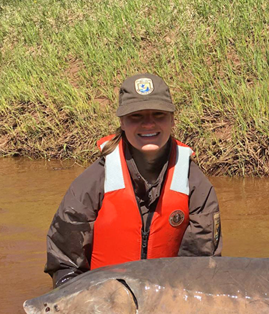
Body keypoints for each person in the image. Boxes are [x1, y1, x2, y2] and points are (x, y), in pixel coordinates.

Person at [45, 73, 222, 287]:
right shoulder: (92, 182)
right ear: (122, 121)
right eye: (136, 116)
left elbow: (201, 266)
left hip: (165, 297)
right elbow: (65, 263)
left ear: (173, 119)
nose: (148, 124)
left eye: (158, 114)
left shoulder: (195, 184)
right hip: (103, 300)